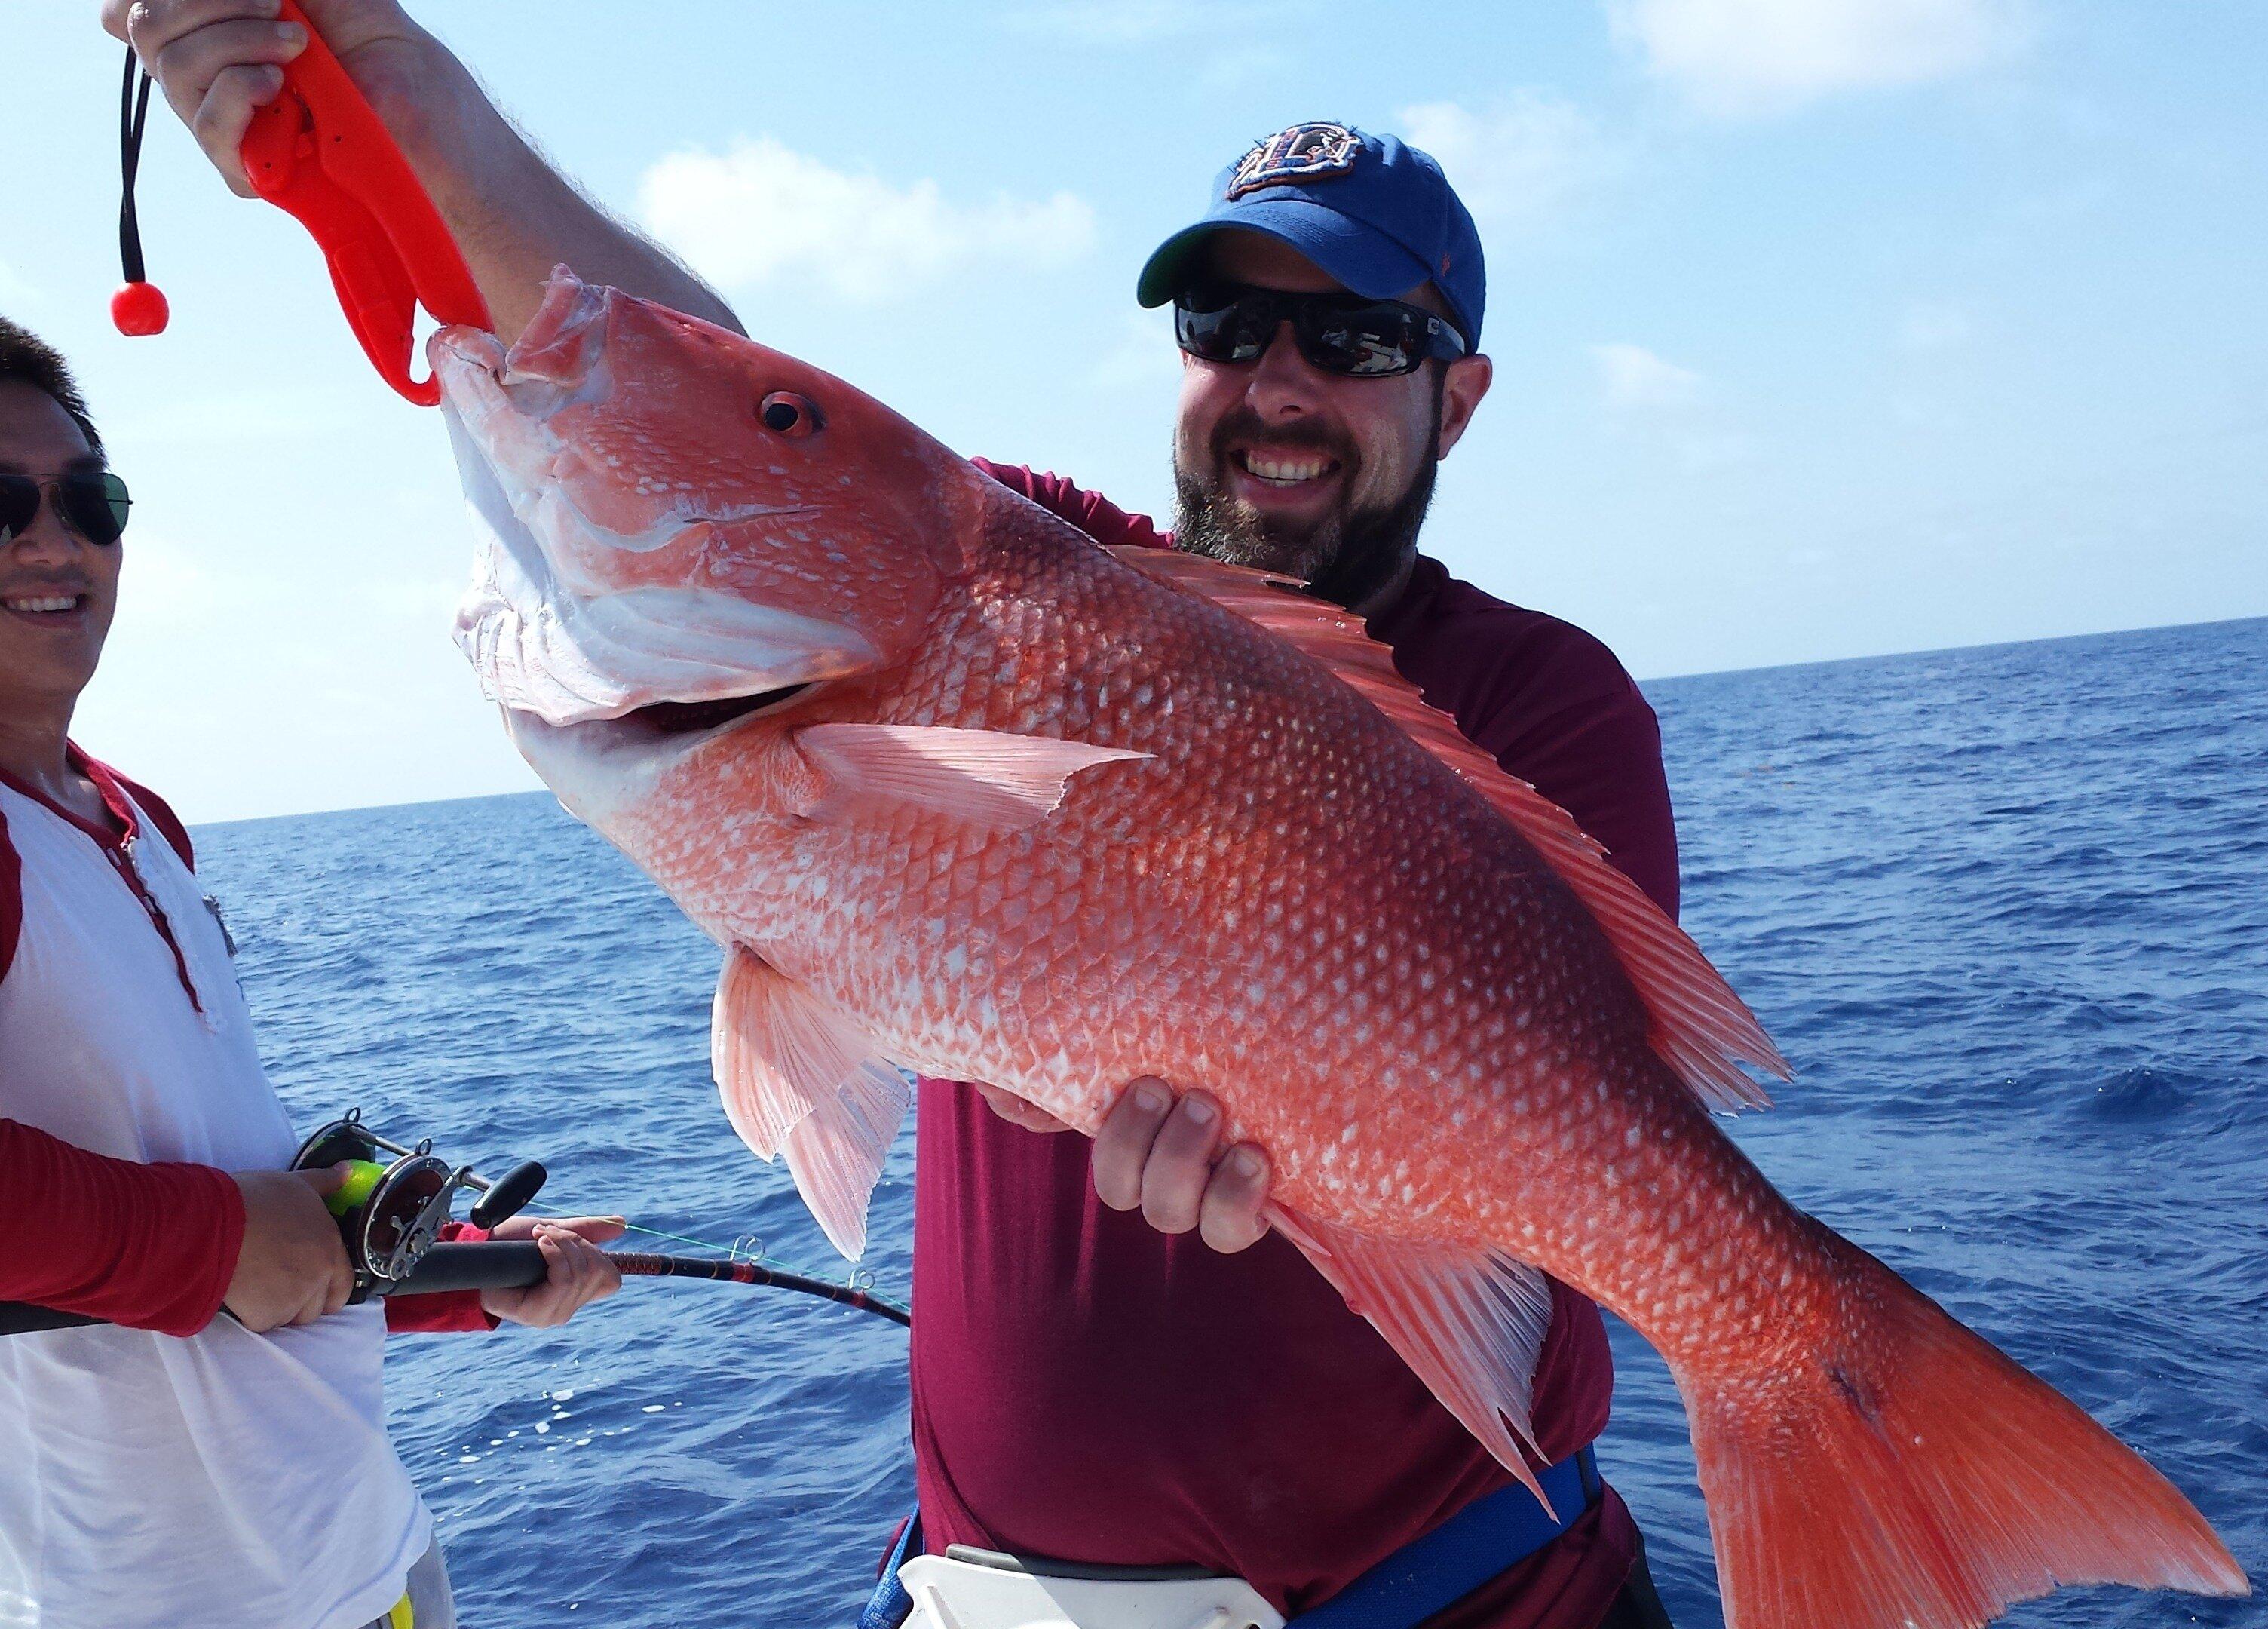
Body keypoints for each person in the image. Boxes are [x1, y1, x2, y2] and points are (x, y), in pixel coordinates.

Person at [115, 5, 1684, 1623]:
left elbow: (1572, 1107)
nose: (1276, 384)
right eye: (1228, 324)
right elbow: (702, 393)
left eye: (1352, 342)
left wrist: (1314, 1154)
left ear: (1459, 397)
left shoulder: (1539, 697)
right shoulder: (1018, 574)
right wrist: (403, 107)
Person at [0, 316, 626, 1629]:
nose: (55, 543)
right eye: (1, 505)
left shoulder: (142, 822)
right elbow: (225, 1240)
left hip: (375, 1559)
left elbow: (240, 1207)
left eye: (87, 502)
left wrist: (465, 1270)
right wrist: (224, 1237)